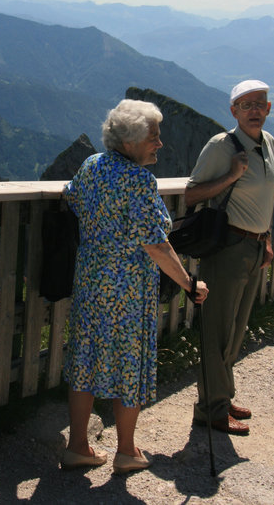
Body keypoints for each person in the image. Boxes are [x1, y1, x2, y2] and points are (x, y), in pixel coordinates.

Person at [60, 98, 208, 474]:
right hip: (126, 291)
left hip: (91, 282)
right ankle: (126, 450)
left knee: (85, 360)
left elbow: (73, 199)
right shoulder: (140, 181)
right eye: (153, 137)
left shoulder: (91, 166)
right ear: (129, 142)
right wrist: (190, 284)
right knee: (129, 363)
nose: (160, 144)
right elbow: (156, 244)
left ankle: (77, 446)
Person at [185, 79, 274, 435]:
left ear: (269, 109)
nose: (255, 110)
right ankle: (210, 408)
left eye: (260, 103)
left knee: (237, 328)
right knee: (217, 330)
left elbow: (266, 198)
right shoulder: (221, 146)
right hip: (227, 248)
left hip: (254, 246)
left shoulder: (269, 143)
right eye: (246, 105)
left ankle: (222, 398)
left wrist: (266, 238)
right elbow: (191, 195)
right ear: (233, 112)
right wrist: (231, 175)